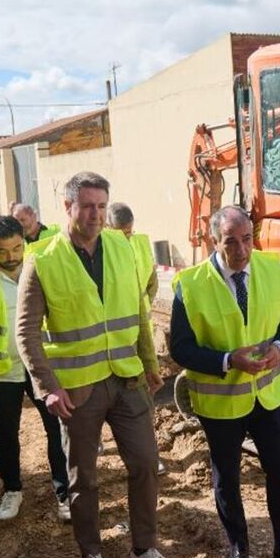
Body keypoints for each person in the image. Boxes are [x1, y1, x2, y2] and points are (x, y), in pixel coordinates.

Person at [15, 171, 177, 558]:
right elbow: (27, 331)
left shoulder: (122, 248)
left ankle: (143, 552)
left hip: (126, 380)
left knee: (144, 464)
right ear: (67, 207)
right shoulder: (44, 259)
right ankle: (91, 555)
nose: (96, 215)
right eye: (87, 206)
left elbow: (139, 312)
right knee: (83, 479)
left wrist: (148, 361)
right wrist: (48, 386)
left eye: (102, 206)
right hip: (77, 390)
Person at [169, 205, 280, 558]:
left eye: (247, 239)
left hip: (269, 396)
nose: (242, 250)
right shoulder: (190, 284)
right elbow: (180, 349)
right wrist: (229, 360)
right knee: (227, 478)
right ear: (213, 240)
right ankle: (238, 550)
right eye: (231, 242)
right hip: (222, 402)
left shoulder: (270, 268)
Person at [0, 216, 71, 522]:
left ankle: (65, 493)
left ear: (24, 242)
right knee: (5, 435)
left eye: (17, 248)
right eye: (3, 251)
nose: (11, 257)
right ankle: (12, 489)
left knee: (57, 428)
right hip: (0, 372)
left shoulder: (40, 265)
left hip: (41, 367)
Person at [107, 202, 164, 475]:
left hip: (137, 332)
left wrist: (140, 309)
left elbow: (151, 282)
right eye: (122, 233)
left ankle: (148, 450)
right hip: (107, 337)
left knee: (141, 393)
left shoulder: (140, 244)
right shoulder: (99, 250)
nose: (127, 237)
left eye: (129, 232)